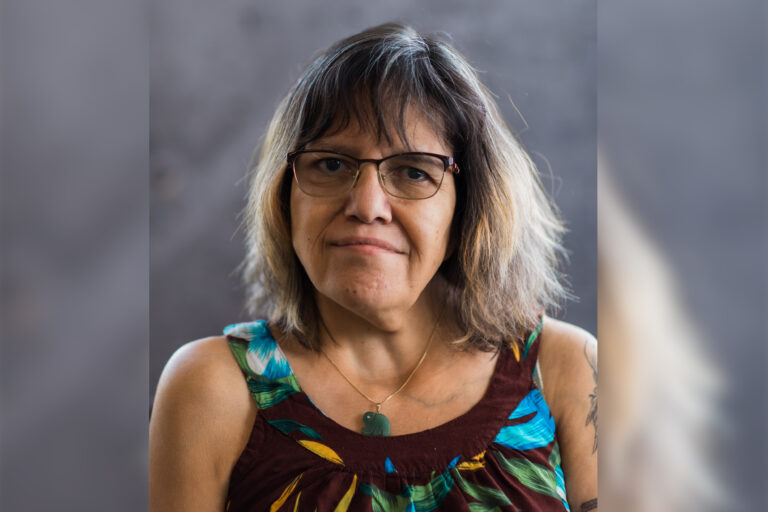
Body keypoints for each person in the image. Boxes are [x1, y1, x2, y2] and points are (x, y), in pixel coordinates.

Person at [150, 23, 597, 511]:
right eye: (331, 164)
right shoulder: (210, 389)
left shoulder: (569, 371)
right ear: (285, 194)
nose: (367, 206)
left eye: (413, 171)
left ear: (468, 205)